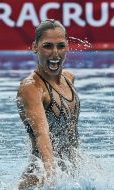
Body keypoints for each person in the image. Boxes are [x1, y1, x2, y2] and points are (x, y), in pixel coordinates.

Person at [16, 19, 80, 189]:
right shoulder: (32, 88)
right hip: (39, 179)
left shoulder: (69, 78)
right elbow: (41, 134)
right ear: (35, 47)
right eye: (47, 46)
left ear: (68, 47)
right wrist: (51, 173)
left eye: (60, 46)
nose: (55, 53)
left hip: (70, 174)